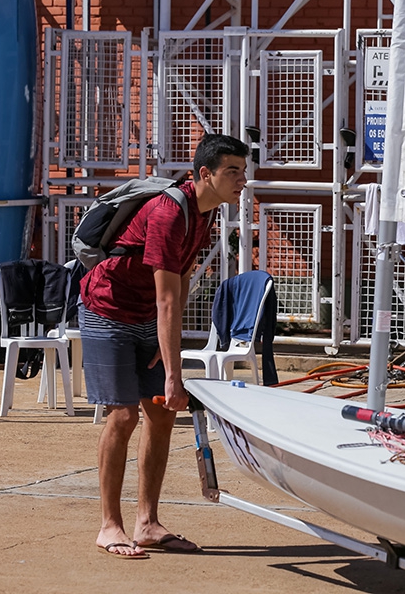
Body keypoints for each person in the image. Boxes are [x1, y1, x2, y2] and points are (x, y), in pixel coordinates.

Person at [79, 133, 249, 558]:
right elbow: (167, 297)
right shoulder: (170, 211)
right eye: (233, 172)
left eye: (244, 172)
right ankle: (109, 525)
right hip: (108, 310)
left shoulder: (206, 213)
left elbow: (182, 276)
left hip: (144, 316)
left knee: (159, 415)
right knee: (123, 415)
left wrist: (163, 340)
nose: (242, 181)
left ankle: (148, 524)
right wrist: (174, 373)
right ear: (205, 174)